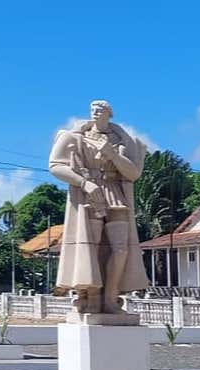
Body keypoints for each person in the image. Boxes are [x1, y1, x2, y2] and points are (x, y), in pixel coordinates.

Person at [48, 100, 149, 314]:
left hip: (114, 192)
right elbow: (55, 166)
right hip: (89, 194)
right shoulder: (76, 136)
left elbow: (133, 174)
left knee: (120, 249)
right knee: (90, 247)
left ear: (109, 114)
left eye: (100, 109)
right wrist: (83, 182)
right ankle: (92, 296)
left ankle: (111, 296)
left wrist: (112, 154)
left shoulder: (121, 140)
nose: (95, 112)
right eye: (93, 109)